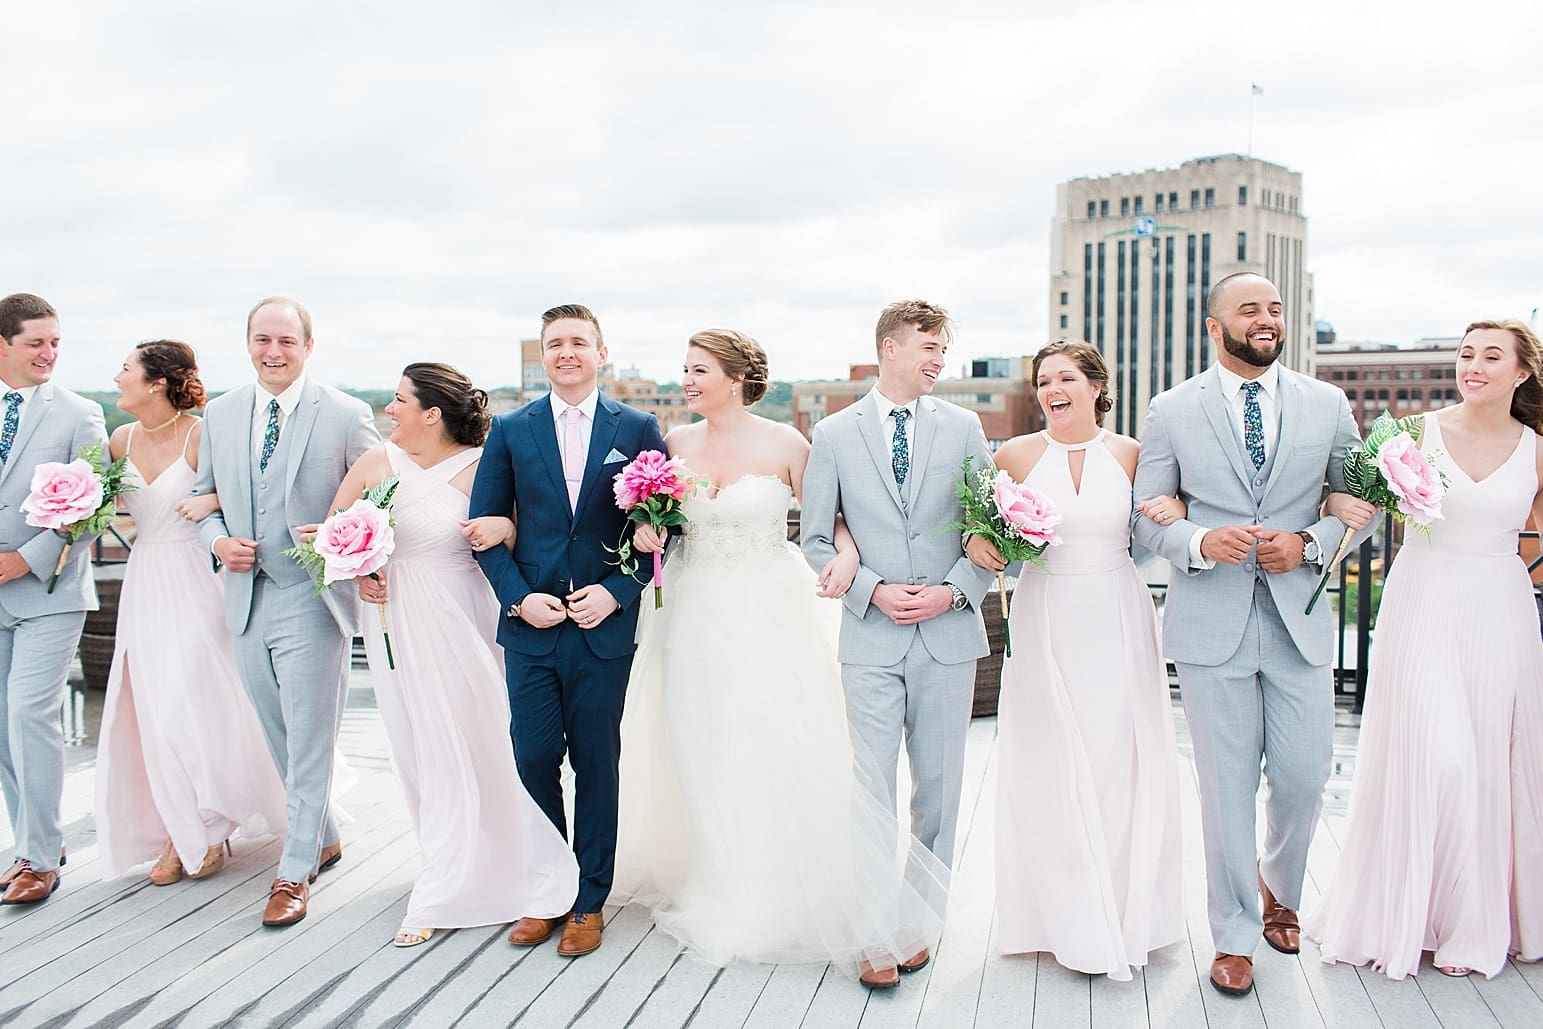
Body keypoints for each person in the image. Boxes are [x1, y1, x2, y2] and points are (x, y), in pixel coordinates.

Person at [613, 329, 949, 987]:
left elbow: (837, 517)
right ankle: (721, 876)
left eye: (698, 370)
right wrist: (646, 527)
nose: (686, 380)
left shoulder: (789, 444)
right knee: (700, 744)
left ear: (735, 377)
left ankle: (794, 889)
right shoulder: (674, 444)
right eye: (685, 369)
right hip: (690, 612)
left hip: (769, 611)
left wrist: (847, 554)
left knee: (773, 742)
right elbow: (654, 525)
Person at [1131, 272, 1374, 996]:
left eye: (1274, 308)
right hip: (1211, 623)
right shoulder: (1171, 409)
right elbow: (1145, 513)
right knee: (1226, 788)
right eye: (1249, 309)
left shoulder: (1327, 404)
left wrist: (1309, 543)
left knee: (1303, 778)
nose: (1266, 319)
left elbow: (1360, 504)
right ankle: (1234, 934)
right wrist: (1202, 541)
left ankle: (1280, 887)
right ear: (1215, 326)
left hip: (1301, 622)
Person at [1306, 319, 1543, 978]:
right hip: (1422, 603)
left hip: (1500, 610)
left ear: (1521, 372)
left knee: (1486, 762)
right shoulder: (1412, 433)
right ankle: (1405, 913)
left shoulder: (1535, 449)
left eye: (1491, 356)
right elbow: (1355, 507)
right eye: (1466, 354)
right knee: (1440, 757)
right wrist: (1331, 523)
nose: (1474, 366)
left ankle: (1470, 926)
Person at [319, 363, 578, 947]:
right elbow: (333, 534)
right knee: (418, 750)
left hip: (466, 621)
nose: (389, 410)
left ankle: (473, 878)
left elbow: (524, 537)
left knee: (482, 743)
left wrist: (503, 529)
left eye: (399, 400)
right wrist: (358, 569)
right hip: (395, 624)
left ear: (431, 413)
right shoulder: (376, 463)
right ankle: (446, 865)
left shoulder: (485, 464)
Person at [967, 341, 1185, 980]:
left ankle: (1124, 911)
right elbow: (976, 527)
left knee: (1119, 757)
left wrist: (1177, 509)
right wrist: (980, 541)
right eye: (1043, 381)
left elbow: (1160, 522)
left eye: (1065, 377)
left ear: (1096, 387)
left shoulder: (1133, 454)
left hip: (1117, 611)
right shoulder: (1012, 456)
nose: (1052, 389)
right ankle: (1057, 918)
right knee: (1049, 757)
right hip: (1045, 612)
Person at [800, 299, 995, 985]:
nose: (939, 359)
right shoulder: (833, 434)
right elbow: (814, 538)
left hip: (948, 631)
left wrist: (954, 591)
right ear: (890, 347)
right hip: (871, 636)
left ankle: (920, 920)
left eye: (944, 348)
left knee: (938, 791)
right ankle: (874, 928)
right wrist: (873, 589)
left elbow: (992, 529)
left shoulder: (965, 427)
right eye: (929, 346)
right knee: (871, 788)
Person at [468, 304, 666, 958]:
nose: (566, 352)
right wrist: (519, 599)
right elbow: (484, 532)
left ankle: (588, 899)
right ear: (543, 355)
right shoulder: (510, 429)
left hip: (602, 630)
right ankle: (546, 889)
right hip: (531, 629)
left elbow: (663, 527)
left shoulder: (637, 427)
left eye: (579, 341)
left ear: (601, 353)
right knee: (531, 757)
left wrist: (616, 592)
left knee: (596, 762)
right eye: (555, 343)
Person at [189, 297, 379, 927]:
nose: (274, 352)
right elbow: (204, 499)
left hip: (312, 597)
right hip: (245, 597)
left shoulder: (346, 414)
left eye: (287, 341)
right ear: (248, 343)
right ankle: (322, 836)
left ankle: (293, 872)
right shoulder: (221, 413)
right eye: (263, 340)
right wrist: (218, 542)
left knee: (310, 737)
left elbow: (380, 499)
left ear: (308, 346)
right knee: (278, 732)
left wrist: (342, 541)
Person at [95, 340, 286, 885]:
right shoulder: (119, 440)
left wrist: (213, 502)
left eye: (125, 369)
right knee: (154, 705)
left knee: (198, 700)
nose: (117, 378)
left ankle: (209, 824)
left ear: (156, 382)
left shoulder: (201, 435)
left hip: (199, 578)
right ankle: (178, 827)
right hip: (145, 580)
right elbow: (102, 509)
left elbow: (250, 494)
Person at [0, 293, 107, 906]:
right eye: (36, 343)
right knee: (2, 725)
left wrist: (26, 558)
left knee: (27, 714)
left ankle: (39, 860)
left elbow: (93, 508)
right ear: (3, 346)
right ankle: (34, 839)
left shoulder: (80, 414)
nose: (49, 354)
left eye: (55, 343)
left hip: (49, 589)